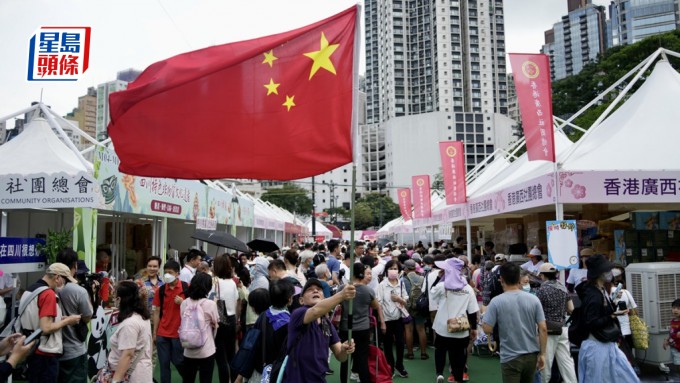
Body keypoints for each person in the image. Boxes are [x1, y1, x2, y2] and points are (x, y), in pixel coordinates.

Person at [481, 262, 547, 383]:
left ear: (501, 279)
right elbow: (543, 328)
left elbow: (487, 329)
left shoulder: (496, 302)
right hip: (531, 354)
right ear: (519, 278)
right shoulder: (534, 299)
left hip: (510, 356)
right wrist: (542, 353)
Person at [576, 254, 638, 382]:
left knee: (627, 378)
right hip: (597, 347)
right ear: (599, 274)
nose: (611, 273)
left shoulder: (600, 290)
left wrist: (613, 306)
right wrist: (612, 315)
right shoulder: (593, 295)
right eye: (607, 270)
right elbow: (591, 323)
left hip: (606, 345)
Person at [283, 278, 356, 383]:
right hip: (297, 379)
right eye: (309, 289)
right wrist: (341, 295)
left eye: (319, 289)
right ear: (301, 300)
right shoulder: (297, 314)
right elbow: (315, 311)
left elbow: (340, 356)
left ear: (324, 298)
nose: (315, 291)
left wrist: (345, 349)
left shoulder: (327, 323)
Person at [19, 262, 82, 383]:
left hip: (30, 348)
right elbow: (46, 327)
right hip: (45, 352)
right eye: (65, 280)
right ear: (57, 277)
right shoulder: (48, 294)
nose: (65, 284)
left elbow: (36, 317)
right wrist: (68, 321)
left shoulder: (30, 290)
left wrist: (59, 319)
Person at [235, 279, 295, 383]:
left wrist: (240, 377)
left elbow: (252, 346)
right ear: (289, 299)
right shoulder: (289, 323)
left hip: (259, 370)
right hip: (278, 374)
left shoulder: (264, 315)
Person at [431, 257, 480, 383]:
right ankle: (458, 377)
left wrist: (439, 278)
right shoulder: (468, 288)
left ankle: (439, 373)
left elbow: (431, 293)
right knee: (459, 355)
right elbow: (472, 311)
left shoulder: (442, 286)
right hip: (461, 328)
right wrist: (474, 328)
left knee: (440, 349)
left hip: (442, 326)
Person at [338, 263, 386, 383]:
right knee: (362, 359)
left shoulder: (342, 289)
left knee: (345, 360)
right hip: (363, 328)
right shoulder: (368, 290)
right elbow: (375, 306)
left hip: (345, 327)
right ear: (362, 274)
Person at [55, 248, 93, 383]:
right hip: (73, 350)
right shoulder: (78, 291)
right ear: (75, 265)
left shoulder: (48, 286)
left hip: (51, 350)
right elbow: (88, 316)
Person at [534, 263, 576, 383]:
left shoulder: (542, 290)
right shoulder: (563, 288)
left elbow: (537, 311)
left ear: (543, 276)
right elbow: (571, 308)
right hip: (563, 328)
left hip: (547, 330)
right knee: (566, 362)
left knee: (545, 362)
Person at [106, 281, 153, 382]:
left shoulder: (129, 324)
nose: (114, 300)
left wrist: (115, 381)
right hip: (142, 371)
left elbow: (127, 354)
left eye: (115, 296)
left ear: (119, 299)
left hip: (131, 376)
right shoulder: (142, 316)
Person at [153, 260, 188, 383]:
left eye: (170, 272)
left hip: (179, 333)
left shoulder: (186, 288)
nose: (167, 275)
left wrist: (183, 303)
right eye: (165, 272)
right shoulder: (161, 290)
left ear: (177, 273)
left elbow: (195, 308)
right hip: (162, 333)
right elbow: (156, 311)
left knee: (178, 360)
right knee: (163, 364)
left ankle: (188, 378)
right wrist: (154, 332)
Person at [181, 272, 219, 383]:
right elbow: (216, 321)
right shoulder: (210, 304)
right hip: (206, 349)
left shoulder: (184, 303)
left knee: (188, 379)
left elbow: (183, 320)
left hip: (188, 348)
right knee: (206, 379)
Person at [211, 254, 240, 383]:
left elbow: (210, 300)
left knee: (221, 357)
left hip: (219, 320)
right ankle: (234, 380)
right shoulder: (232, 283)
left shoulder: (214, 282)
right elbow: (236, 300)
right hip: (232, 318)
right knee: (231, 354)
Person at [377, 260, 409, 377]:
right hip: (386, 319)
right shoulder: (382, 285)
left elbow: (405, 300)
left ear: (399, 271)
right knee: (388, 344)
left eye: (396, 268)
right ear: (386, 270)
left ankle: (399, 365)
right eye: (391, 268)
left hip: (399, 318)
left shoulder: (401, 283)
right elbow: (379, 304)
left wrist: (399, 299)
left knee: (400, 343)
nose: (393, 271)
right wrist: (382, 322)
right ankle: (390, 366)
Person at [610, 264, 640, 374]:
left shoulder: (604, 293)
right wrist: (625, 310)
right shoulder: (626, 292)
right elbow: (635, 311)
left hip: (611, 332)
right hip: (626, 330)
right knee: (628, 355)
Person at [403, 259, 428, 360]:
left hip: (408, 308)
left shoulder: (403, 279)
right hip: (420, 307)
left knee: (409, 330)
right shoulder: (422, 278)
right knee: (421, 330)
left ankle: (410, 353)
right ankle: (423, 353)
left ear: (406, 268)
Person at [663, 299, 680, 376]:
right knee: (676, 365)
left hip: (679, 349)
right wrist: (666, 340)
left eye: (678, 308)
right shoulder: (673, 321)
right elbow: (671, 333)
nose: (675, 310)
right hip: (674, 347)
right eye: (674, 308)